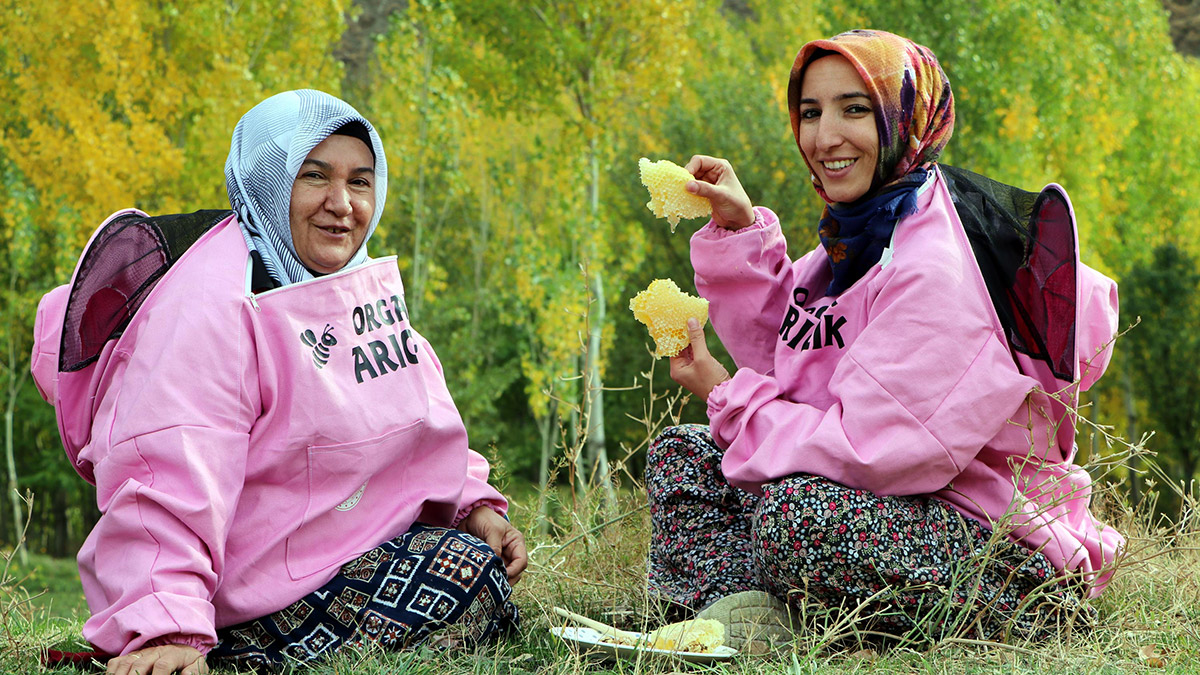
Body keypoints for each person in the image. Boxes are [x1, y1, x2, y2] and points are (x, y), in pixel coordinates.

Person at [644, 29, 1124, 648]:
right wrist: (738, 230)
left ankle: (827, 620)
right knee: (685, 455)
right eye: (811, 113)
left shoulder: (938, 266)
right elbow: (793, 363)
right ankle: (719, 625)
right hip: (899, 510)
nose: (824, 138)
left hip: (1002, 549)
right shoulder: (858, 240)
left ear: (906, 119)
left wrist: (726, 394)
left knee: (799, 513)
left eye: (854, 109)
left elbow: (869, 453)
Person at [30, 90, 526, 674]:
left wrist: (473, 505)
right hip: (246, 597)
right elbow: (165, 473)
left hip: (339, 550)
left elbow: (418, 413)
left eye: (360, 182)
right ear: (268, 178)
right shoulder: (211, 307)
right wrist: (167, 630)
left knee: (470, 565)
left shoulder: (355, 282)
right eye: (314, 176)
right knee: (462, 581)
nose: (341, 204)